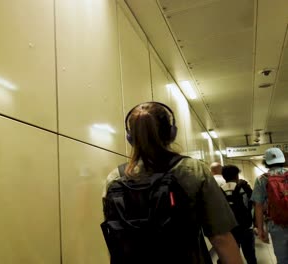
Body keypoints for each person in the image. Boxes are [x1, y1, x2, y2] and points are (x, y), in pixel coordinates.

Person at [102, 102, 242, 264]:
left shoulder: (115, 178)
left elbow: (116, 239)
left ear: (130, 137)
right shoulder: (192, 170)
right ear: (172, 132)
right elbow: (221, 237)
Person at [252, 147, 288, 264]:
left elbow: (258, 206)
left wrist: (261, 228)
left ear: (266, 162)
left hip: (276, 224)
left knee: (282, 258)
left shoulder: (262, 179)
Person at [221, 165, 257, 264]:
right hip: (246, 227)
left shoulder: (219, 189)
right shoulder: (243, 187)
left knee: (232, 256)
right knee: (250, 255)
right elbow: (253, 203)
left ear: (224, 177)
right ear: (237, 175)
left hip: (230, 229)